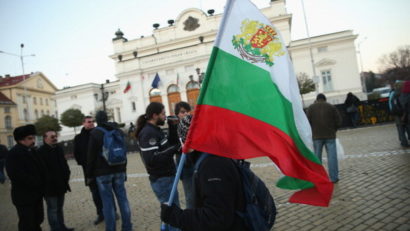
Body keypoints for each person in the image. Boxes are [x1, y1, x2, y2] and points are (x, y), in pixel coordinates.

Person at [160, 115, 249, 231]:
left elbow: (217, 218)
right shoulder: (210, 157)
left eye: (182, 140)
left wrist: (177, 217)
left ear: (188, 141)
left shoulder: (212, 165)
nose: (182, 147)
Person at [135, 102, 181, 231]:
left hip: (168, 176)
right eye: (163, 114)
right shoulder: (148, 133)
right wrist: (173, 149)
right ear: (154, 115)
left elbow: (169, 145)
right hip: (162, 179)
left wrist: (172, 128)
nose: (165, 116)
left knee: (169, 212)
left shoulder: (156, 129)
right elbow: (152, 159)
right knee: (173, 213)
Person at [87, 111, 132, 231]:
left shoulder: (95, 133)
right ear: (107, 118)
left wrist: (89, 175)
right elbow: (124, 152)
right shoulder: (117, 130)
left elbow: (90, 156)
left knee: (107, 203)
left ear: (97, 120)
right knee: (123, 200)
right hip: (119, 170)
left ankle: (111, 228)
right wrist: (124, 170)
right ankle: (127, 227)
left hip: (102, 173)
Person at [6, 125, 46, 231]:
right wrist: (36, 182)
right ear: (21, 140)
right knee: (27, 224)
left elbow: (41, 168)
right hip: (24, 197)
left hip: (36, 194)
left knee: (38, 220)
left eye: (33, 137)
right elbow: (16, 175)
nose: (33, 140)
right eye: (30, 138)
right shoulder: (13, 154)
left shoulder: (32, 150)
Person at [38, 130, 74, 231]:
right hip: (50, 187)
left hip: (61, 184)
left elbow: (64, 163)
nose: (55, 138)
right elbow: (42, 171)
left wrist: (66, 175)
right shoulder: (40, 152)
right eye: (52, 137)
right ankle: (55, 228)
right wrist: (48, 182)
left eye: (55, 136)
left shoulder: (58, 148)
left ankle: (62, 227)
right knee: (53, 209)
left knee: (59, 208)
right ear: (45, 139)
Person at [74, 116, 106, 225]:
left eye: (93, 121)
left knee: (106, 192)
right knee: (95, 194)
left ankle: (111, 212)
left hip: (102, 169)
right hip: (89, 171)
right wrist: (86, 163)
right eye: (89, 122)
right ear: (83, 123)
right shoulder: (78, 138)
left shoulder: (99, 133)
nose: (91, 123)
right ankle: (100, 214)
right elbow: (77, 154)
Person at [307, 93, 342, 183]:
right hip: (330, 135)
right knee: (332, 157)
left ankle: (319, 178)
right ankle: (334, 177)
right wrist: (334, 130)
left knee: (317, 158)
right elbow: (338, 121)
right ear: (325, 99)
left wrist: (312, 131)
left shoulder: (311, 108)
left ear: (317, 99)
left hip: (316, 136)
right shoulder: (331, 107)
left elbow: (307, 122)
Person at [174, 101, 194, 209]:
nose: (186, 114)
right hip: (185, 165)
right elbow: (173, 146)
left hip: (195, 163)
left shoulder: (193, 125)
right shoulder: (174, 128)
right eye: (182, 112)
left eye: (187, 112)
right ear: (177, 114)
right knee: (190, 196)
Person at [388, 81, 409, 147]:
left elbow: (390, 103)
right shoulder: (404, 93)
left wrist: (392, 111)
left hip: (396, 113)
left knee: (400, 128)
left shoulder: (393, 93)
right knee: (407, 126)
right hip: (404, 112)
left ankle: (403, 142)